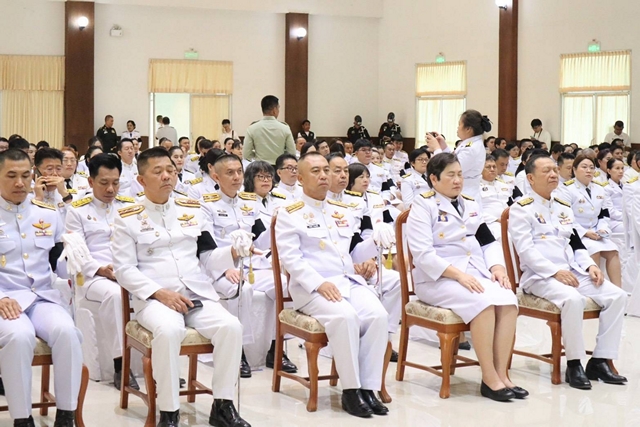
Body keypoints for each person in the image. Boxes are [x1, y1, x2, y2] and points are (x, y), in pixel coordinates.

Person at [112, 147, 251, 427]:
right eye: (158, 171)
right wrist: (159, 293)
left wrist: (233, 252)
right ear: (141, 180)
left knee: (231, 326)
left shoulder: (192, 209)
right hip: (155, 299)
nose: (167, 176)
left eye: (170, 170)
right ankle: (169, 411)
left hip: (195, 293)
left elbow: (207, 257)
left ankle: (223, 405)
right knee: (169, 330)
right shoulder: (126, 217)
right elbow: (124, 270)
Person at [275, 152, 394, 418]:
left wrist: (375, 241)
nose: (323, 176)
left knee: (378, 315)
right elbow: (292, 260)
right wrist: (319, 283)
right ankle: (351, 391)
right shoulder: (289, 213)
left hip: (346, 280)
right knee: (346, 317)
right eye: (315, 171)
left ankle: (368, 388)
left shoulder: (342, 210)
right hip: (311, 288)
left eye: (326, 170)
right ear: (300, 178)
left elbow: (353, 254)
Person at [407, 153, 523, 402]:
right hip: (437, 279)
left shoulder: (470, 203)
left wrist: (498, 268)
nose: (458, 180)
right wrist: (458, 275)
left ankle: (502, 374)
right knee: (483, 303)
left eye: (459, 174)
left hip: (473, 273)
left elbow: (487, 241)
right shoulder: (423, 206)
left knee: (508, 300)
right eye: (451, 175)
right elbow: (423, 254)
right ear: (434, 179)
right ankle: (489, 378)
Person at [509, 154, 627, 390]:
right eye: (546, 171)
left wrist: (590, 266)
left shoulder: (562, 206)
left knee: (617, 296)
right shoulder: (521, 209)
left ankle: (600, 360)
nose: (553, 175)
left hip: (572, 270)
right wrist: (555, 272)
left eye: (555, 170)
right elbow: (526, 251)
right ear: (530, 178)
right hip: (540, 276)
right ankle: (574, 364)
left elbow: (575, 243)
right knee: (573, 299)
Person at [0, 148, 83, 427]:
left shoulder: (46, 214)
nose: (20, 183)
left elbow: (57, 263)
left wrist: (72, 257)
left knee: (68, 332)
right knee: (19, 337)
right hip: (6, 299)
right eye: (11, 176)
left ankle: (67, 415)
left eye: (26, 175)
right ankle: (22, 419)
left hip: (42, 297)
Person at [198, 154, 287, 378]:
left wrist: (276, 225)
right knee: (242, 289)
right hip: (220, 268)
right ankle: (239, 352)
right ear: (216, 176)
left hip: (251, 265)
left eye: (239, 171)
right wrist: (226, 266)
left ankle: (276, 347)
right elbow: (205, 248)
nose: (236, 177)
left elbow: (260, 241)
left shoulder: (249, 202)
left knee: (283, 284)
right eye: (230, 173)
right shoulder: (206, 204)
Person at [64, 154, 140, 392]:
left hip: (127, 271)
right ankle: (121, 365)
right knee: (116, 295)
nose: (110, 189)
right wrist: (100, 269)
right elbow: (76, 250)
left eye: (115, 183)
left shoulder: (128, 207)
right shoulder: (77, 211)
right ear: (90, 182)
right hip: (92, 276)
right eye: (104, 183)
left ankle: (160, 365)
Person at [555, 155, 622, 287]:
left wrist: (603, 228)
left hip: (597, 232)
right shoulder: (566, 189)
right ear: (574, 169)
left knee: (613, 252)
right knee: (593, 250)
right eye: (584, 167)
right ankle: (597, 288)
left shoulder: (599, 188)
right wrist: (585, 232)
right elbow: (566, 217)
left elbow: (604, 214)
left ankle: (618, 289)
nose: (588, 170)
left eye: (591, 167)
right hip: (577, 233)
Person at [425, 109, 491, 203]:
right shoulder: (470, 144)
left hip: (465, 194)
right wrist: (444, 147)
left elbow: (448, 167)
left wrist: (436, 148)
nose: (457, 127)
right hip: (462, 191)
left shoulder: (471, 148)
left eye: (459, 124)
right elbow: (454, 160)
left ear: (468, 129)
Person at [243, 95, 296, 165]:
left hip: (260, 167)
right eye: (278, 108)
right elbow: (292, 152)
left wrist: (257, 156)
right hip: (279, 167)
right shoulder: (284, 127)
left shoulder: (252, 128)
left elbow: (246, 154)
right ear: (274, 110)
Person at [480, 155, 522, 241]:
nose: (492, 169)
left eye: (494, 167)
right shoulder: (475, 187)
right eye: (488, 167)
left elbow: (510, 203)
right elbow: (476, 211)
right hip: (490, 222)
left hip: (510, 219)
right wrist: (498, 220)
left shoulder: (503, 184)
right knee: (506, 238)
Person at [352, 139, 398, 203]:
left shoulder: (379, 169)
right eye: (364, 150)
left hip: (381, 201)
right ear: (356, 153)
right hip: (361, 202)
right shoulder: (352, 170)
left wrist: (385, 199)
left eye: (369, 150)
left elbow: (385, 189)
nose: (367, 152)